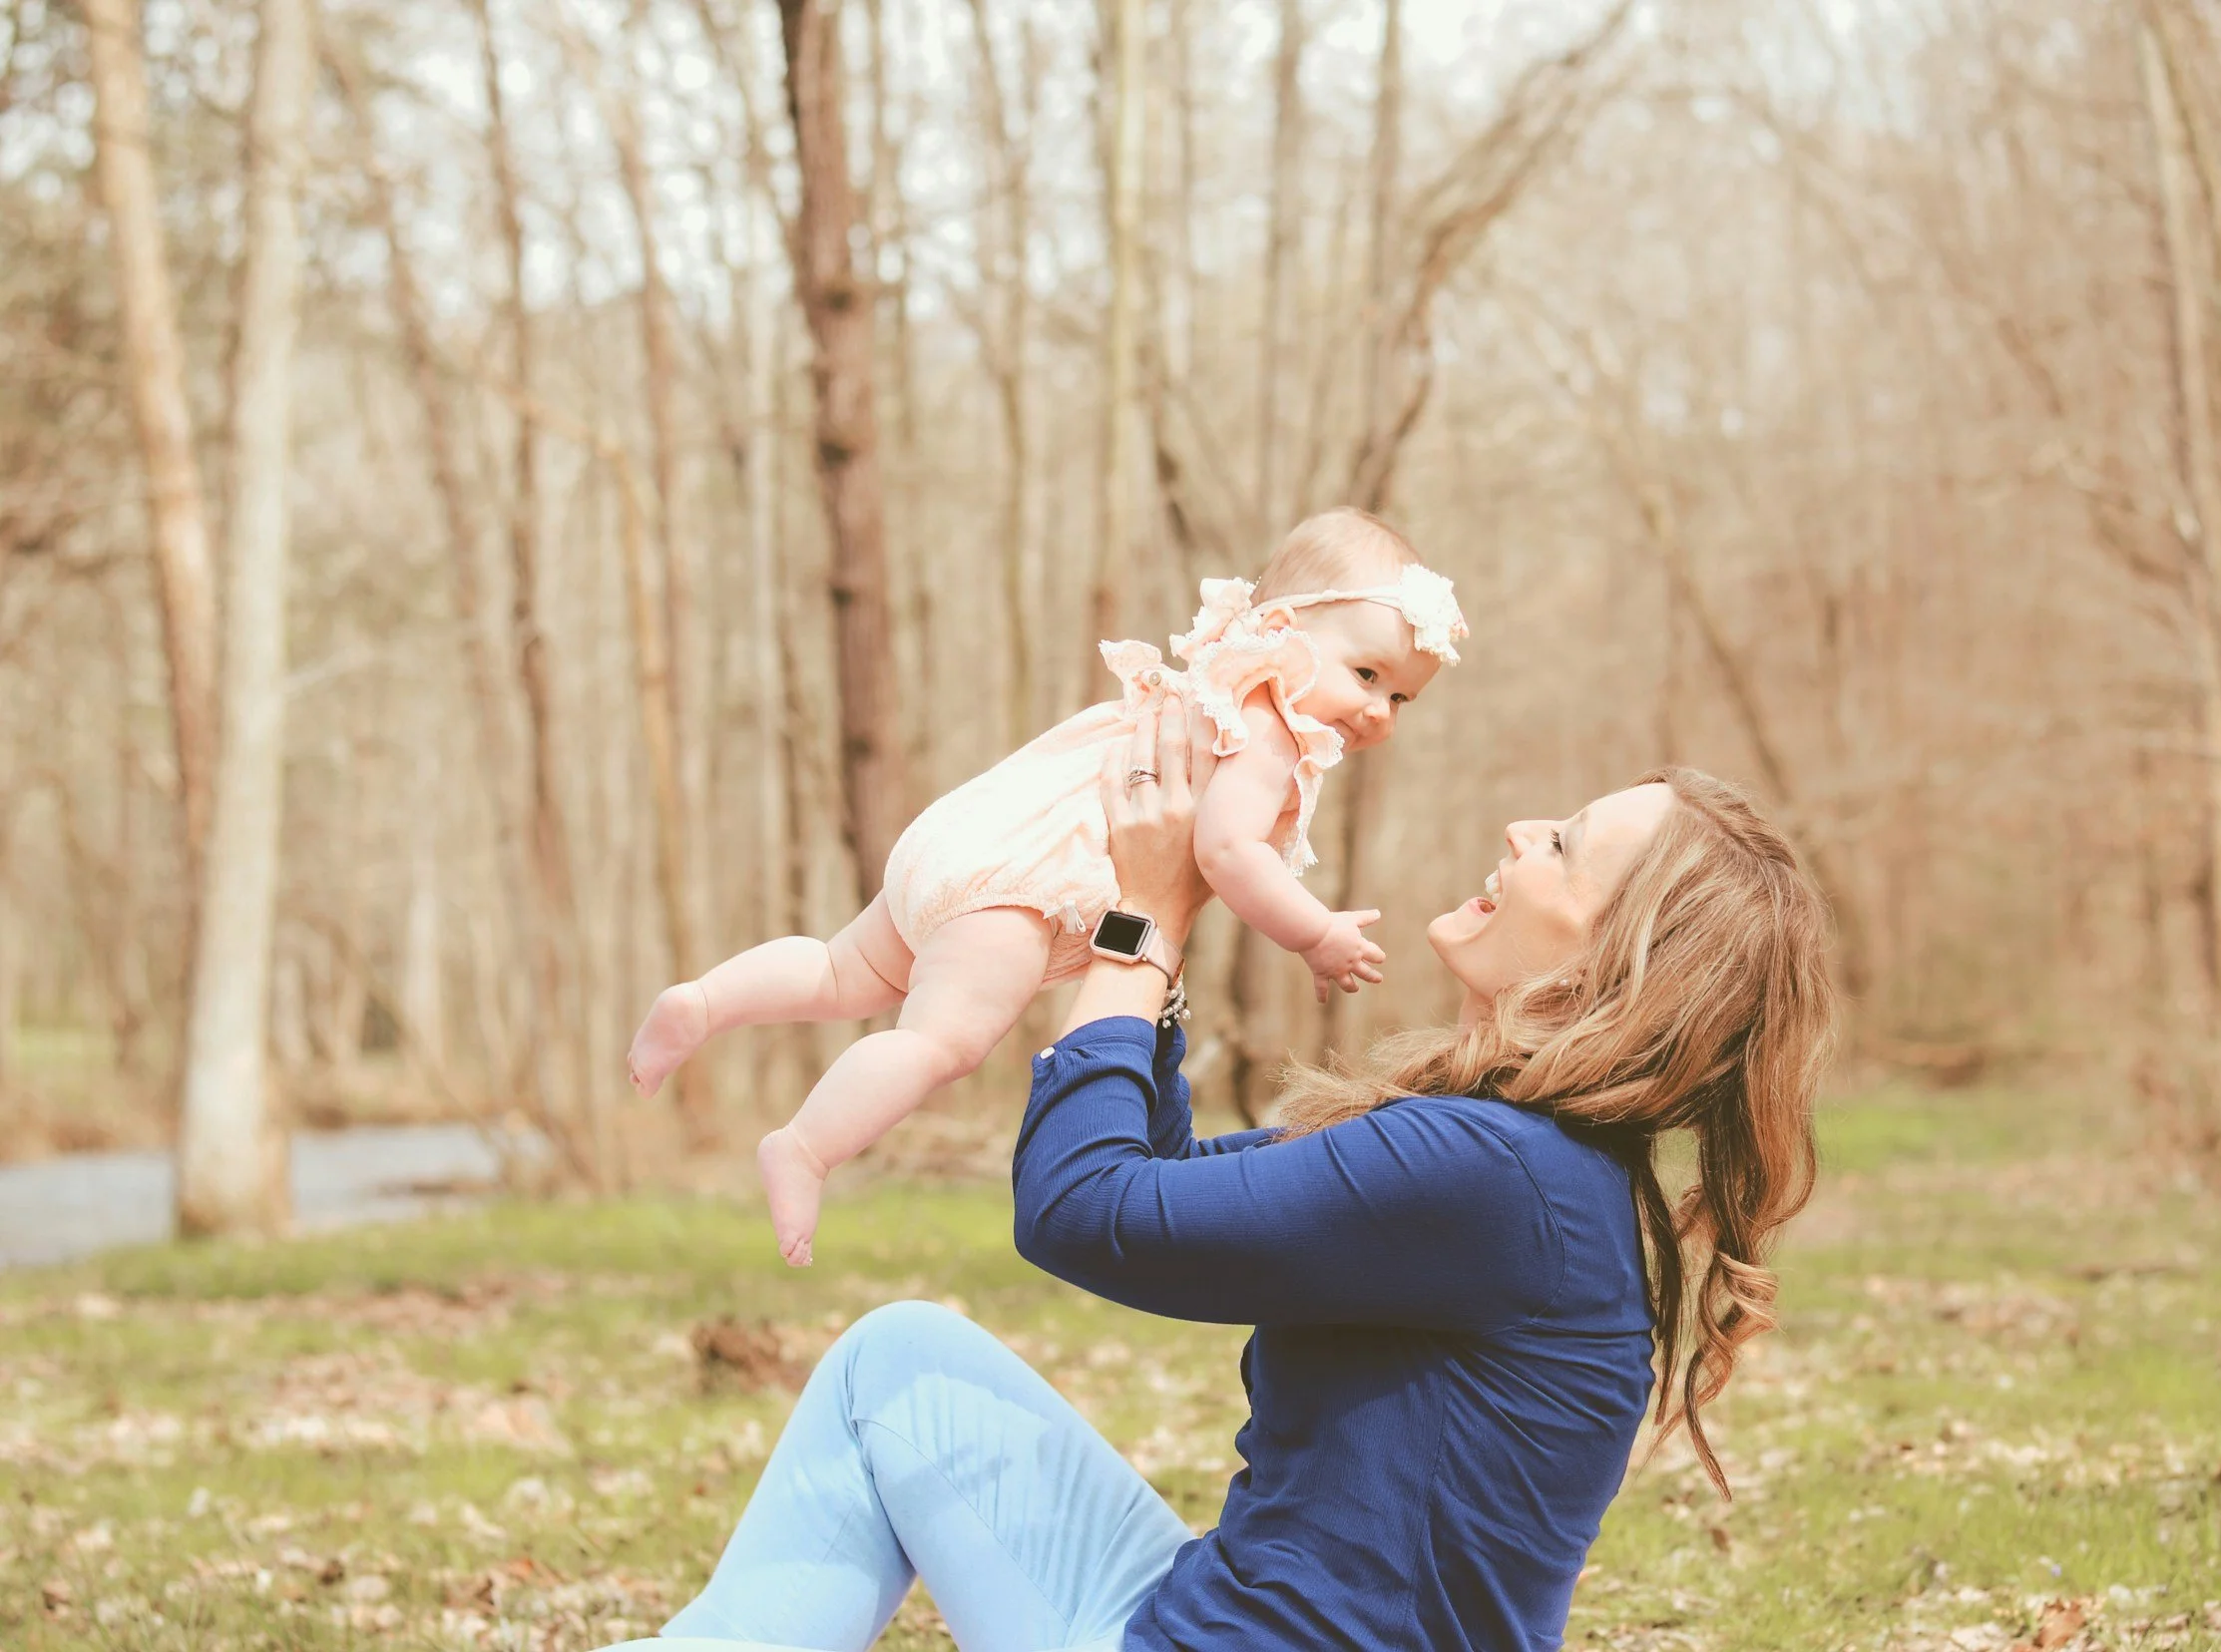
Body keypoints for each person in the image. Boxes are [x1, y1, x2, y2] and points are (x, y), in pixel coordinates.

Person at [609, 695, 1838, 1652]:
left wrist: (1141, 925)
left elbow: (1084, 1212)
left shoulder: (1492, 1175)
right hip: (1202, 1610)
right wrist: (1150, 940)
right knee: (901, 1363)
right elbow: (1163, 1184)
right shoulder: (1524, 1167)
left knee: (894, 1370)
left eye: (1562, 847)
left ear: (1610, 970)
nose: (1522, 832)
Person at [624, 508, 1469, 1265]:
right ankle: (806, 1148)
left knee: (844, 971)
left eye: (1402, 697)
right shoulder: (1268, 727)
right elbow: (1226, 852)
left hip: (970, 835)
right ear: (1283, 629)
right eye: (1367, 676)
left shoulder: (1214, 681)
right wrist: (1312, 933)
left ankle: (705, 1001)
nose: (1379, 712)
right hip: (1019, 886)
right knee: (939, 1044)